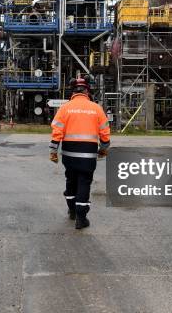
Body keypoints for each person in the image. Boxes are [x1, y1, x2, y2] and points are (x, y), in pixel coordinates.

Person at [49, 77, 111, 229]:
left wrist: (53, 150)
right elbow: (105, 132)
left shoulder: (65, 108)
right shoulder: (96, 108)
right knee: (84, 182)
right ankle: (81, 218)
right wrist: (103, 149)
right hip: (88, 154)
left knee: (71, 180)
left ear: (73, 91)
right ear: (87, 90)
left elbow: (57, 130)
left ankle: (72, 211)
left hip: (69, 154)